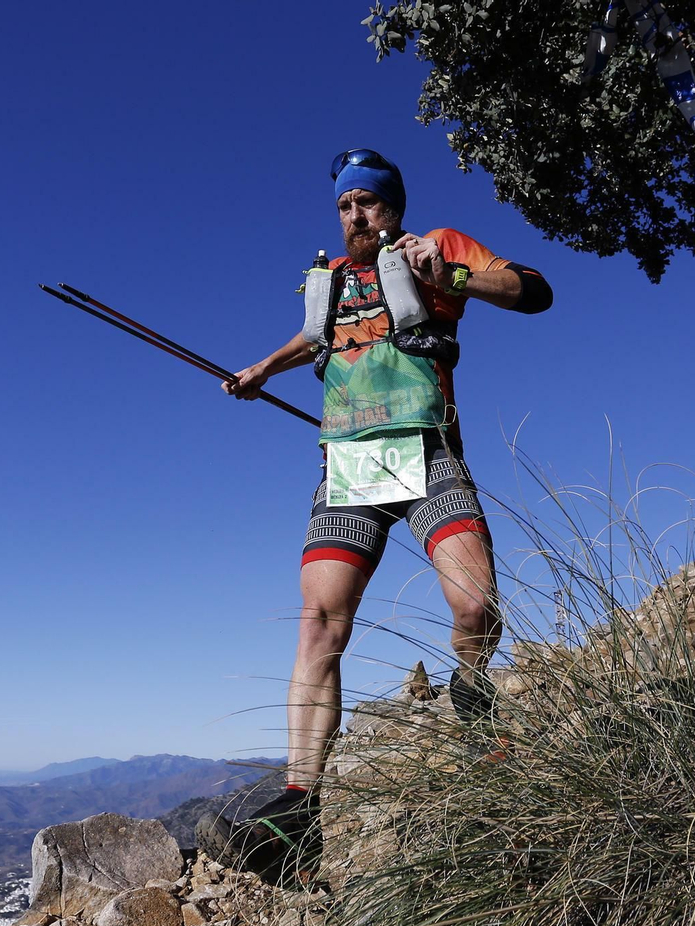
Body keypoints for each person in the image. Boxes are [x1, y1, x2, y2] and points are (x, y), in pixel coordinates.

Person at [203, 148, 553, 883]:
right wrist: (262, 368)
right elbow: (313, 339)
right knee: (319, 622)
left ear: (393, 207)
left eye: (368, 202)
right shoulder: (330, 280)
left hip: (427, 451)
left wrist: (450, 276)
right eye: (345, 205)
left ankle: (471, 687)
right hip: (350, 466)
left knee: (475, 603)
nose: (355, 215)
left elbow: (534, 291)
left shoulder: (437, 247)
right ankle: (298, 809)